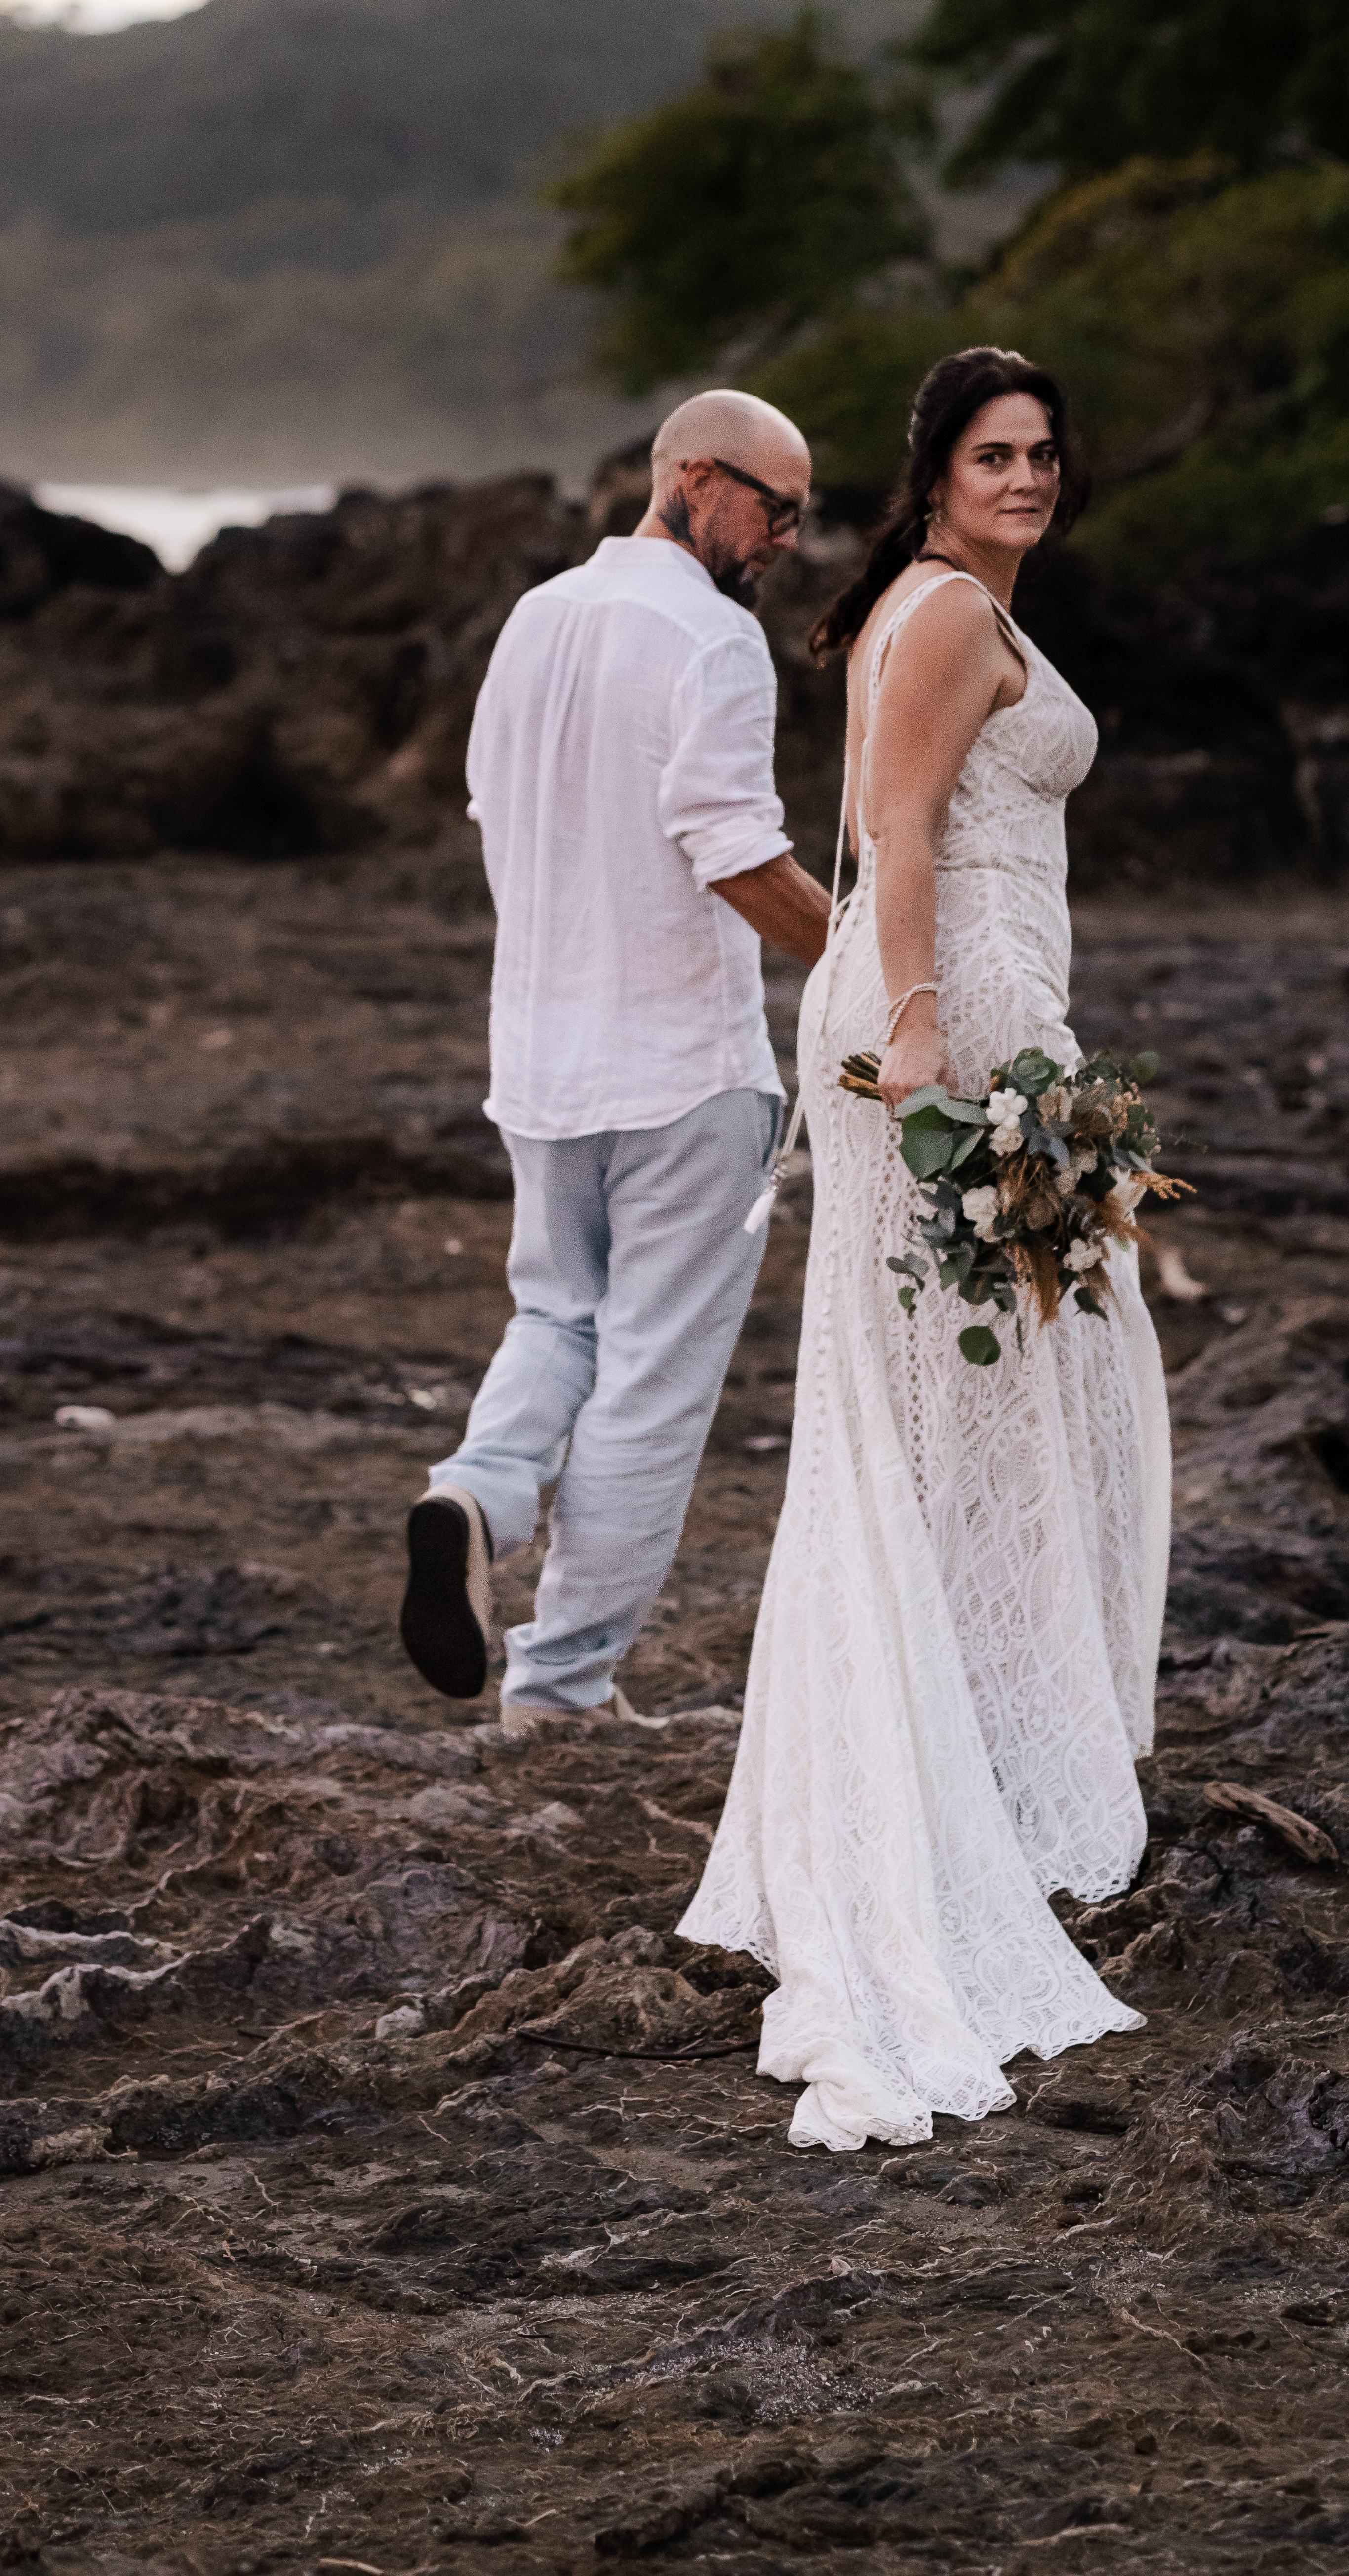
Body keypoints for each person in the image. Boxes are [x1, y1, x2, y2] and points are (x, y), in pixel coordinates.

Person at [681, 348, 1172, 2149]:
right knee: (979, 1399)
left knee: (1011, 1394)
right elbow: (893, 831)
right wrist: (918, 1025)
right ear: (939, 472)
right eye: (996, 454)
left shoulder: (945, 602)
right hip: (939, 1026)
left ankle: (991, 1756)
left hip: (986, 1007)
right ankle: (982, 1791)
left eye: (1047, 453)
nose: (1029, 477)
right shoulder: (950, 615)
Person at [400, 392, 832, 1726]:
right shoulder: (714, 640)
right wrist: (869, 970)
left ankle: (476, 1493)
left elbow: (492, 809)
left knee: (557, 1315)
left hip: (540, 1055)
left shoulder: (536, 619)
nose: (786, 541)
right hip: (683, 1066)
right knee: (652, 1373)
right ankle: (563, 1686)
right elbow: (734, 848)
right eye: (775, 507)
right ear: (695, 477)